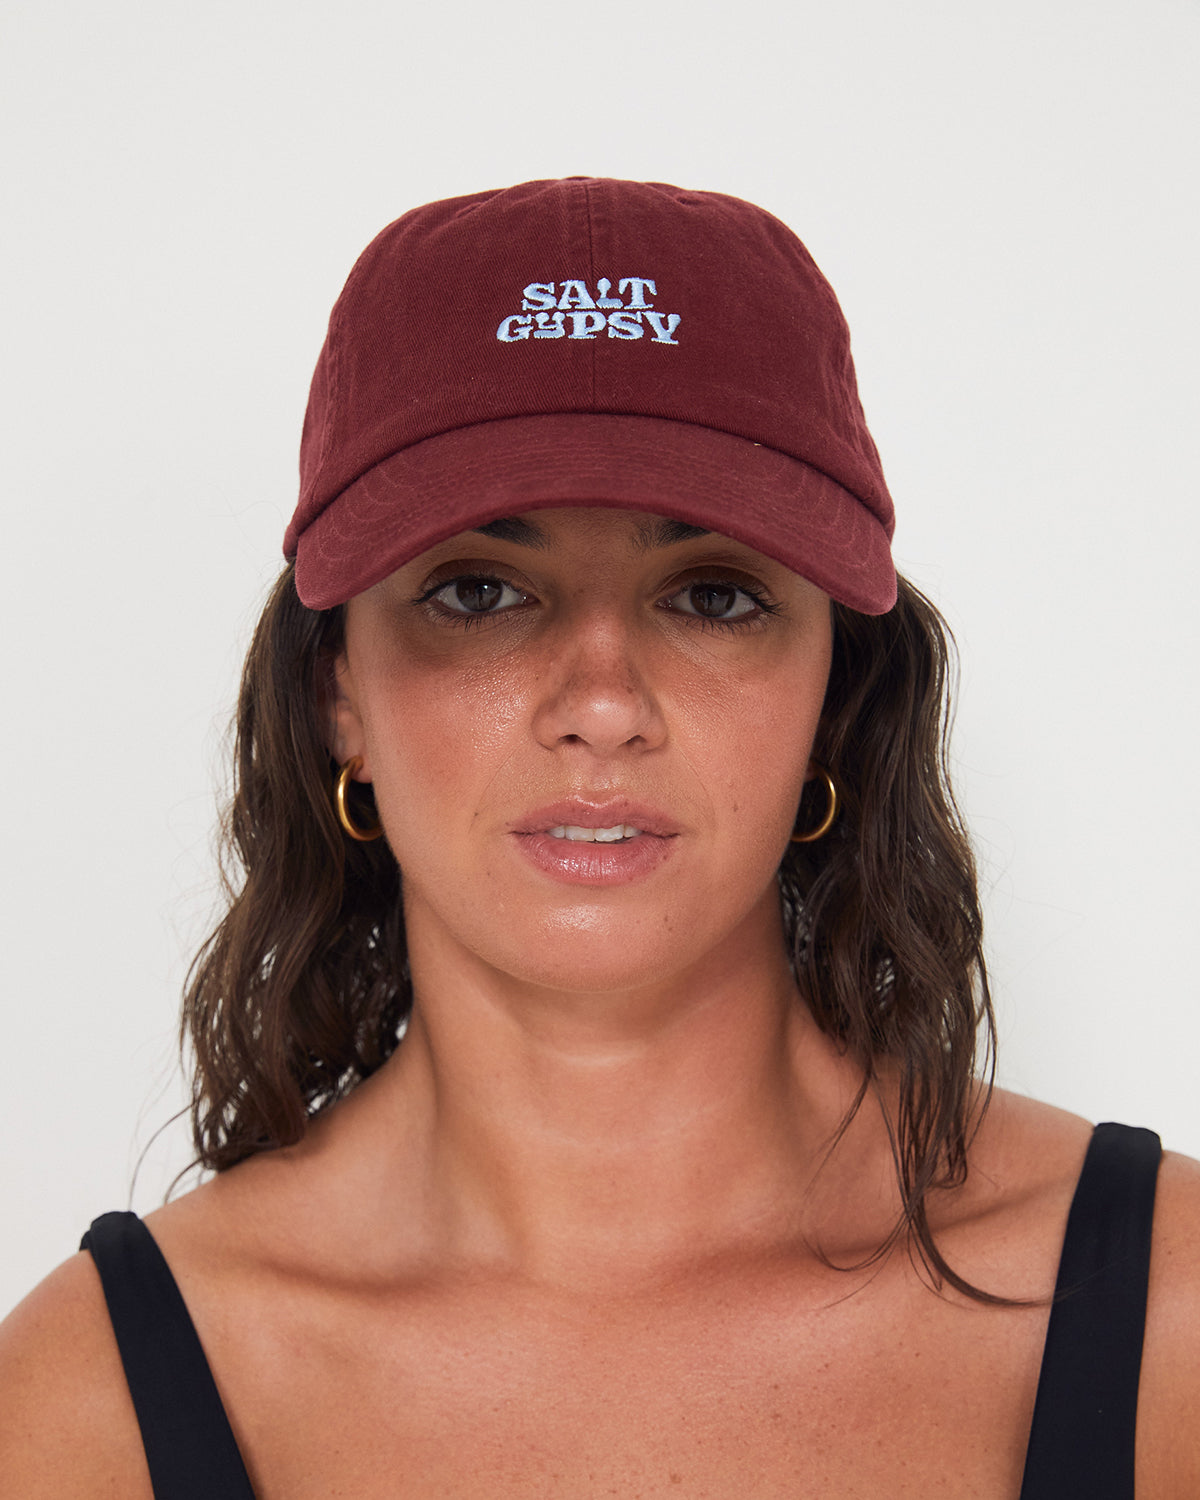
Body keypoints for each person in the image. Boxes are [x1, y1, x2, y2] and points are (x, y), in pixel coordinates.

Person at [1, 176, 1198, 1498]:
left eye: (714, 595)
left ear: (835, 693)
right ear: (336, 691)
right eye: (477, 590)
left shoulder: (1171, 1319)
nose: (605, 705)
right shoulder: (85, 1403)